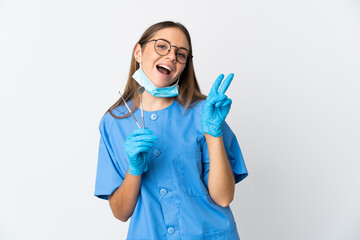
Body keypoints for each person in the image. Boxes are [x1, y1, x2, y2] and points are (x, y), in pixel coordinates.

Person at [94, 21, 248, 239]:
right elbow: (120, 212)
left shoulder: (206, 113)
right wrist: (134, 170)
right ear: (138, 52)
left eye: (181, 54)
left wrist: (213, 134)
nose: (172, 56)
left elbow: (223, 197)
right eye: (162, 46)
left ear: (184, 66)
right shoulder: (113, 123)